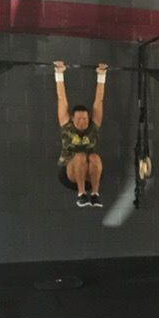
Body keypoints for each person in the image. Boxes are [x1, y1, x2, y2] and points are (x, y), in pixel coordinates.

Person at [55, 60, 107, 207]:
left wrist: (101, 75)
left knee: (94, 157)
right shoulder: (66, 124)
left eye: (84, 119)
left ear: (88, 118)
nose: (82, 122)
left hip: (90, 172)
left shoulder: (93, 125)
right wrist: (59, 73)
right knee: (80, 156)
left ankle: (95, 194)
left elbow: (99, 101)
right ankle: (81, 194)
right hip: (68, 172)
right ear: (72, 118)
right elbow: (62, 99)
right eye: (78, 119)